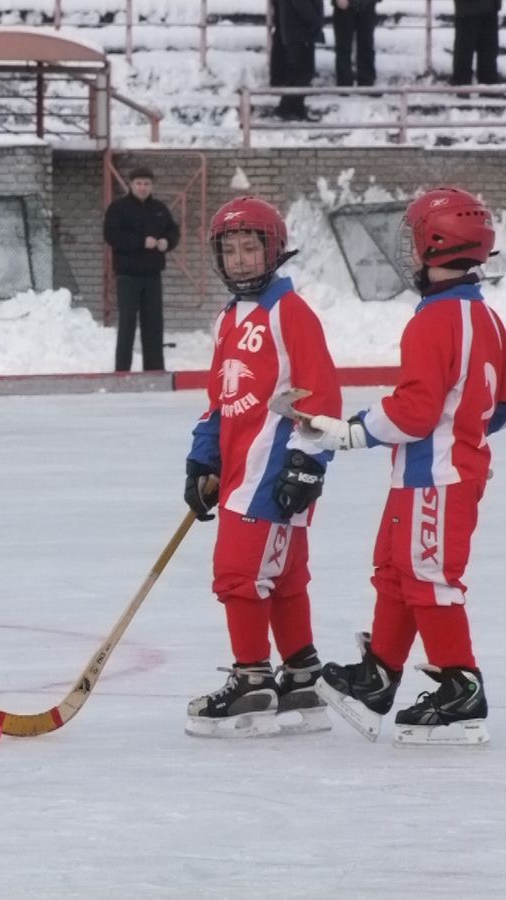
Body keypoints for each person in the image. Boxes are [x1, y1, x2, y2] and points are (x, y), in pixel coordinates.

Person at [297, 187, 502, 746]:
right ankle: (379, 677)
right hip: (430, 474)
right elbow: (495, 405)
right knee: (397, 571)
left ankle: (461, 690)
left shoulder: (434, 321)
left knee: (430, 579)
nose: (409, 252)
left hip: (437, 478)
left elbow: (414, 412)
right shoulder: (486, 318)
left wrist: (349, 430)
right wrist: (458, 427)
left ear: (437, 244)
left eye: (415, 239)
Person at [182, 196, 341, 739]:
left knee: (239, 575)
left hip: (273, 471)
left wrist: (307, 463)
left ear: (273, 251)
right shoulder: (231, 316)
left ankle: (252, 681)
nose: (242, 259)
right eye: (231, 249)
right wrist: (203, 456)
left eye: (251, 247)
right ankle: (301, 675)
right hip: (239, 470)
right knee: (285, 577)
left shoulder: (290, 313)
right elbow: (221, 398)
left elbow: (321, 393)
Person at [103, 166, 180, 372]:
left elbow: (173, 231)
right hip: (128, 275)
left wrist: (167, 241)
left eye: (146, 184)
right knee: (127, 324)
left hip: (152, 275)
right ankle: (122, 370)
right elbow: (112, 236)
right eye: (138, 183)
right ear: (131, 185)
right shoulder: (119, 208)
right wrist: (140, 241)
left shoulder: (159, 209)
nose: (142, 187)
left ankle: (154, 369)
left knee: (153, 324)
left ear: (152, 185)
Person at [271, 0, 325, 120]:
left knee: (301, 73)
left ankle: (296, 107)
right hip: (299, 29)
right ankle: (287, 107)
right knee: (300, 72)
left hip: (300, 29)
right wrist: (314, 20)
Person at [452, 0, 501, 87]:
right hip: (468, 10)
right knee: (465, 49)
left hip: (490, 8)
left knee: (489, 49)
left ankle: (488, 85)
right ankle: (462, 84)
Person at [332, 0, 379, 88]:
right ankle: (344, 83)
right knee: (343, 47)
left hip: (367, 5)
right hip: (344, 7)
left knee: (367, 45)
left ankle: (366, 83)